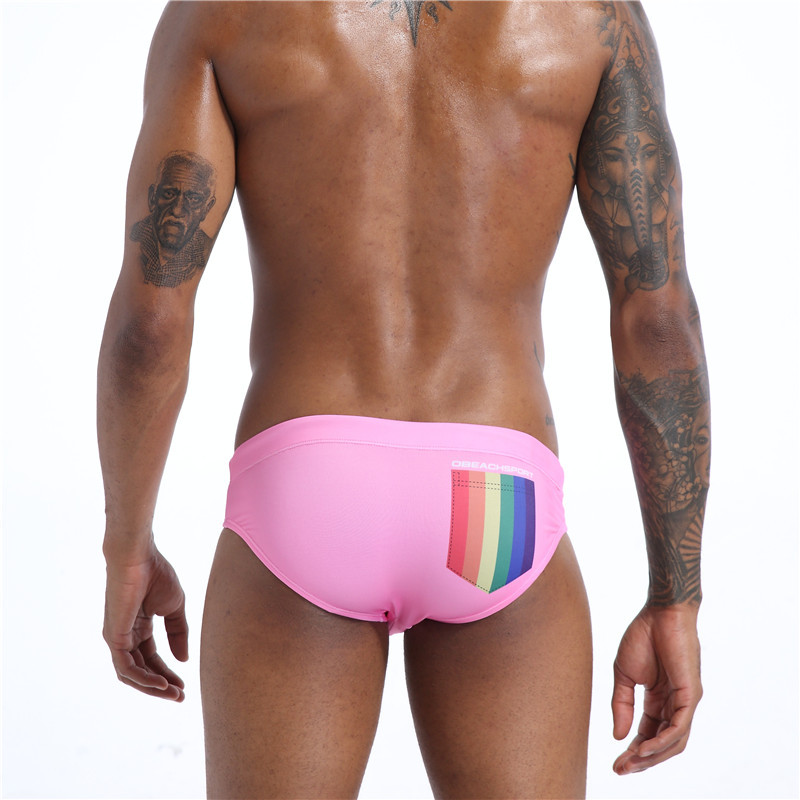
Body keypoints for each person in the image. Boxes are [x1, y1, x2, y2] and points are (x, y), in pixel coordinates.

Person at [97, 2, 709, 797]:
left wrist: (128, 545)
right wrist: (675, 597)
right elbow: (658, 321)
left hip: (309, 487)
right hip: (494, 497)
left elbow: (150, 323)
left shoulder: (222, 12)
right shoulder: (590, 16)